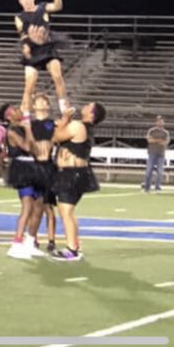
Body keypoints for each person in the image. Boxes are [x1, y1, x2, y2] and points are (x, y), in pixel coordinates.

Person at [50, 102, 105, 261]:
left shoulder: (78, 126)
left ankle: (72, 249)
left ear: (92, 114)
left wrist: (64, 119)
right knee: (67, 211)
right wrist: (64, 122)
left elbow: (55, 137)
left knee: (66, 212)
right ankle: (75, 245)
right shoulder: (82, 127)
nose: (85, 106)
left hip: (71, 174)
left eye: (89, 106)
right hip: (74, 173)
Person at [0, 103, 45, 260]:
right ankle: (16, 243)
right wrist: (29, 130)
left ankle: (30, 242)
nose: (18, 110)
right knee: (27, 206)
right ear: (8, 116)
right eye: (14, 109)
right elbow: (26, 146)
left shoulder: (23, 127)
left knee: (39, 206)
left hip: (34, 166)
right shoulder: (12, 130)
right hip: (22, 169)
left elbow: (35, 149)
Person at [15, 0, 69, 114]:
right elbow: (23, 34)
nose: (26, 0)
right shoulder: (19, 17)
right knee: (29, 84)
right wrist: (26, 46)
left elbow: (57, 6)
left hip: (47, 48)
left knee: (57, 76)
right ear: (20, 1)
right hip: (33, 50)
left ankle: (64, 110)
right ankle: (25, 115)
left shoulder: (42, 7)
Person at [28, 94, 58, 253]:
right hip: (33, 166)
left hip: (48, 167)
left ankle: (51, 240)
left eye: (44, 101)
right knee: (33, 206)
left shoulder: (52, 124)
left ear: (48, 106)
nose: (41, 103)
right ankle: (32, 238)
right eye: (38, 101)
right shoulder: (29, 125)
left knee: (48, 206)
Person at [144, 115, 170, 193]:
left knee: (160, 172)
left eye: (161, 121)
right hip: (152, 153)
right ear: (156, 122)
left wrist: (155, 140)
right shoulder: (151, 131)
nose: (160, 123)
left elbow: (165, 143)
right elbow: (149, 140)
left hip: (161, 154)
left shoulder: (166, 133)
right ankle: (147, 187)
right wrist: (159, 140)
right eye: (158, 121)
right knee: (148, 171)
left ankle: (157, 187)